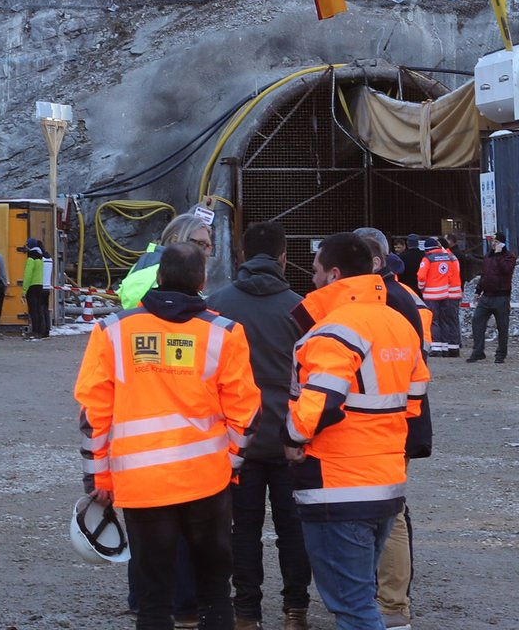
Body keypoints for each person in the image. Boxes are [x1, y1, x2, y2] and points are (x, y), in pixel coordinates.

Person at [75, 239, 260, 630]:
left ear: (157, 278)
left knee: (154, 595)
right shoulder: (225, 333)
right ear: (203, 280)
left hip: (142, 484)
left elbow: (95, 415)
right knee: (213, 591)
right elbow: (246, 414)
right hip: (207, 481)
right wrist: (230, 467)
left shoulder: (111, 331)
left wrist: (100, 478)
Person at [286, 234, 430, 630]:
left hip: (337, 485)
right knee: (361, 598)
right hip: (385, 483)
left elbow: (320, 402)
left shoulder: (333, 331)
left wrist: (292, 438)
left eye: (315, 271)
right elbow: (414, 401)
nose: (312, 281)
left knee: (352, 608)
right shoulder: (398, 324)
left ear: (333, 274)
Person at [206, 222, 312, 630]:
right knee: (294, 528)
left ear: (242, 255)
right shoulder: (302, 309)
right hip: (291, 437)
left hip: (238, 439)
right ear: (284, 257)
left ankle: (246, 612)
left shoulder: (218, 305)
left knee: (243, 528)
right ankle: (295, 610)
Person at [354, 229, 434, 630]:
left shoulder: (393, 301)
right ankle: (388, 600)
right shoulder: (398, 297)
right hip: (392, 421)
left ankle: (391, 603)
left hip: (385, 424)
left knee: (390, 513)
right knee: (388, 511)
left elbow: (406, 373)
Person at [119, 209, 216, 309]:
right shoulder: (168, 272)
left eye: (209, 246)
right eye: (200, 244)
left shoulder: (147, 262)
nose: (207, 253)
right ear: (174, 240)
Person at [470, 233, 516, 364]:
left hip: (501, 297)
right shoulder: (488, 256)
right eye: (492, 241)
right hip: (486, 296)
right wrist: (478, 290)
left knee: (502, 327)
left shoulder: (508, 257)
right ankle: (478, 352)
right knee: (477, 321)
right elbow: (484, 275)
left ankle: (500, 354)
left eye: (496, 241)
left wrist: (498, 255)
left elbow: (506, 270)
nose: (493, 244)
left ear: (502, 243)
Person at [415, 236, 462, 357]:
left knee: (434, 321)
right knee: (445, 321)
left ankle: (436, 348)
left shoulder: (428, 259)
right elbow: (451, 274)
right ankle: (448, 347)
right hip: (445, 294)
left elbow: (421, 276)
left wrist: (421, 287)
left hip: (431, 295)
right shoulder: (448, 257)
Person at [21, 240, 53, 340]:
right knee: (43, 310)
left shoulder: (32, 259)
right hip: (43, 285)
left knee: (35, 310)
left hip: (34, 286)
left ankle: (37, 331)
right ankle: (44, 331)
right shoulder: (43, 258)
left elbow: (28, 275)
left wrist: (24, 290)